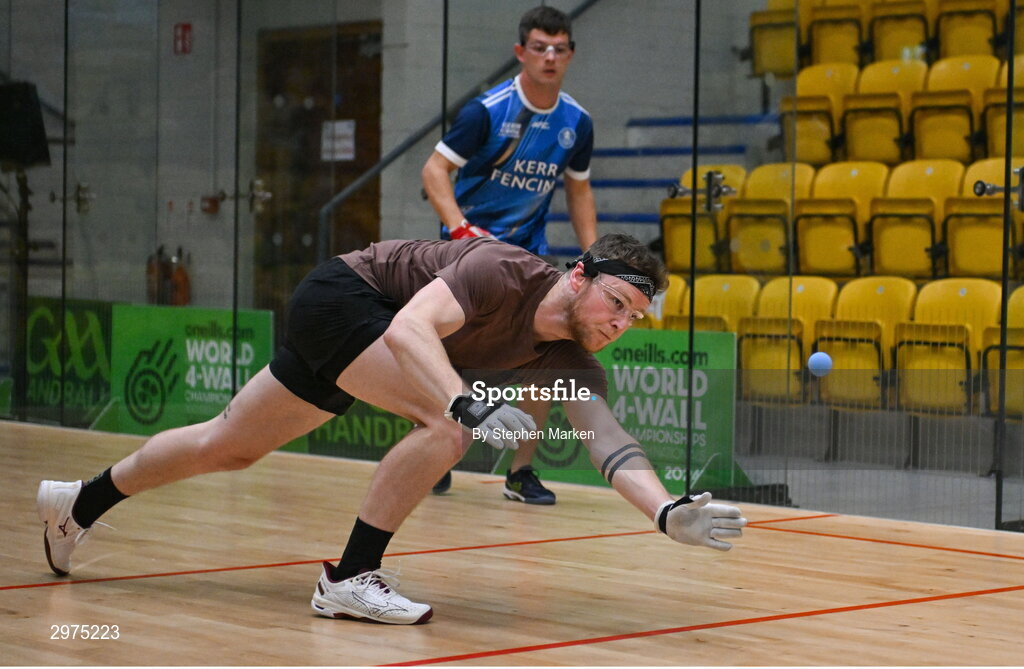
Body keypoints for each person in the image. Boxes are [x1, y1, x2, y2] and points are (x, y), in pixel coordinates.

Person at [37, 233, 747, 625]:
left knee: (228, 446)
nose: (619, 325)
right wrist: (462, 401)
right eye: (617, 303)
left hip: (357, 334)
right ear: (580, 275)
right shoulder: (503, 271)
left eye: (632, 319)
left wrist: (663, 510)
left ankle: (78, 504)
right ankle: (347, 577)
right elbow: (411, 327)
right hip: (346, 298)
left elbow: (606, 438)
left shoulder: (567, 356)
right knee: (448, 428)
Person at [421, 5, 598, 503]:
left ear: (570, 55)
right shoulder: (486, 112)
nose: (549, 57)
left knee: (542, 360)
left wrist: (595, 259)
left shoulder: (577, 123)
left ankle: (521, 472)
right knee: (446, 354)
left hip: (529, 259)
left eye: (559, 49)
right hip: (466, 256)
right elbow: (434, 171)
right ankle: (433, 453)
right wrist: (459, 230)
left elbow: (578, 191)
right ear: (521, 52)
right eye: (539, 48)